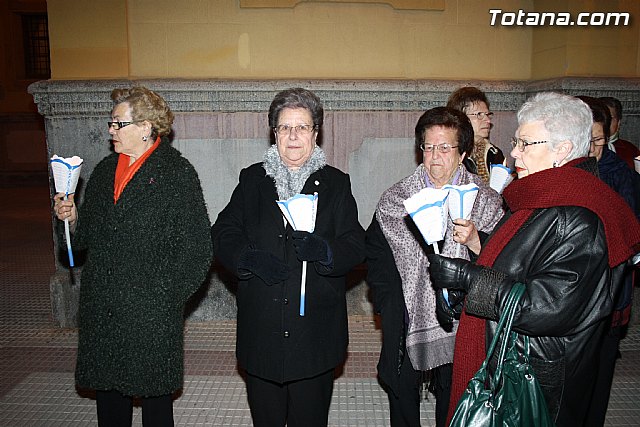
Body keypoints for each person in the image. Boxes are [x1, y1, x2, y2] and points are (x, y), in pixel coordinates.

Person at [427, 92, 640, 427]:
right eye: (516, 141)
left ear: (562, 149)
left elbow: (547, 307)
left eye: (525, 143)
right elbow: (521, 266)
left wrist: (470, 279)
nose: (514, 152)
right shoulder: (545, 196)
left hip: (536, 379)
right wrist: (466, 294)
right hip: (517, 356)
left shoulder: (579, 215)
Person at [53, 86, 213, 426]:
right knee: (110, 397)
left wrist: (168, 298)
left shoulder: (176, 173)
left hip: (150, 311)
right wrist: (70, 218)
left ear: (145, 127)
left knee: (155, 403)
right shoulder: (104, 170)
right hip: (104, 306)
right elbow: (81, 240)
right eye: (110, 123)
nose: (110, 130)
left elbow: (198, 247)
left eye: (118, 123)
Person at [210, 87, 365, 427]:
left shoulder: (336, 184)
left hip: (314, 336)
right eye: (285, 127)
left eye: (302, 127)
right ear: (274, 133)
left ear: (315, 133)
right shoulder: (253, 180)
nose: (293, 136)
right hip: (262, 331)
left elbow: (356, 243)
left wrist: (325, 251)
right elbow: (222, 232)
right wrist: (247, 259)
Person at [365, 107, 504, 427]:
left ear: (463, 152)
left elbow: (505, 260)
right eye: (428, 147)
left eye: (444, 147)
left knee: (455, 395)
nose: (434, 156)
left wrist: (476, 242)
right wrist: (389, 301)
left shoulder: (484, 200)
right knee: (401, 390)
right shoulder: (397, 199)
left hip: (465, 316)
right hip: (407, 314)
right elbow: (375, 255)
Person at [579, 95, 640, 427]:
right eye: (585, 141)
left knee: (599, 375)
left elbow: (627, 237)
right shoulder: (566, 172)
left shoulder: (619, 175)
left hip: (608, 291)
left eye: (598, 141)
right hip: (573, 296)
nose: (591, 150)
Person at [447, 86, 505, 183]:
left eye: (487, 115)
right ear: (460, 119)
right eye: (479, 114)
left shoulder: (494, 153)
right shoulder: (451, 154)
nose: (487, 120)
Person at [599, 96, 640, 170]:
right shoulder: (586, 148)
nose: (606, 122)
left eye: (610, 118)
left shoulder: (631, 150)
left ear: (618, 123)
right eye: (601, 118)